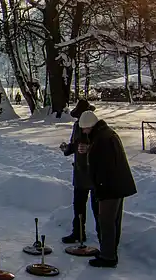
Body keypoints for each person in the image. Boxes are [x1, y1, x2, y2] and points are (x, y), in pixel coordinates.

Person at [77, 110, 137, 268]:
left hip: (110, 186)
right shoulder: (105, 134)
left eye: (84, 128)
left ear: (90, 126)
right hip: (118, 184)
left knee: (107, 221)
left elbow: (104, 166)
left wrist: (100, 188)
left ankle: (108, 256)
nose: (83, 131)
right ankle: (109, 250)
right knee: (114, 220)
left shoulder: (102, 139)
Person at [59, 99, 99, 248]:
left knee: (97, 207)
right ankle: (78, 233)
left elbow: (99, 146)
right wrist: (67, 149)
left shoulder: (96, 129)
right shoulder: (76, 127)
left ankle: (102, 236)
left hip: (93, 172)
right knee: (78, 205)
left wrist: (89, 149)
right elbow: (75, 145)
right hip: (80, 171)